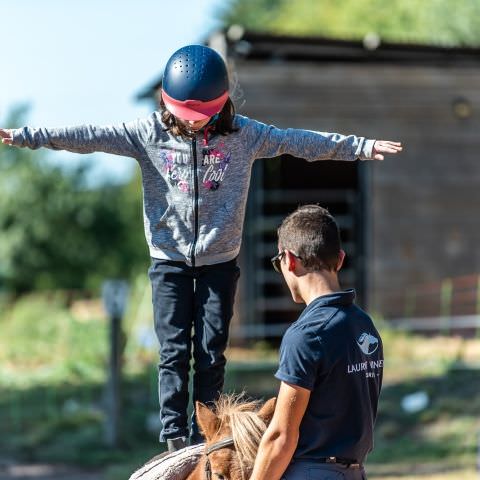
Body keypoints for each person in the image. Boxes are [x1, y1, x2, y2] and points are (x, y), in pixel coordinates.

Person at [0, 45, 398, 453]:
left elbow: (299, 141)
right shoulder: (146, 134)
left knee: (210, 352)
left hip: (219, 262)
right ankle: (174, 435)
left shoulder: (246, 136)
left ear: (221, 104)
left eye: (201, 120)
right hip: (168, 261)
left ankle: (207, 431)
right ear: (166, 103)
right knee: (173, 349)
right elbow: (87, 137)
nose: (191, 128)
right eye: (184, 119)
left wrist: (358, 147)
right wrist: (23, 136)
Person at [249, 204, 384, 480]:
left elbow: (280, 437)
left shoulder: (306, 334)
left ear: (289, 259)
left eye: (278, 263)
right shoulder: (364, 326)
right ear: (341, 259)